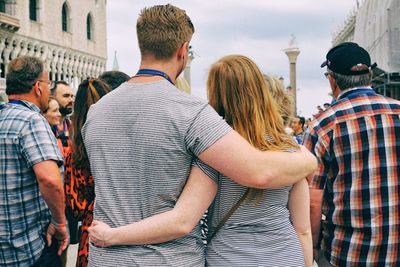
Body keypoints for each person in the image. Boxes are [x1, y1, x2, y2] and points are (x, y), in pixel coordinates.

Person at [83, 4, 317, 266]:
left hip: (106, 259)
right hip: (169, 259)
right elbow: (258, 172)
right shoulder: (190, 112)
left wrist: (112, 236)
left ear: (142, 45)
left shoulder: (97, 111)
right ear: (183, 51)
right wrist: (309, 160)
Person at [304, 42, 400, 266]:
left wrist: (314, 248)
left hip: (350, 252)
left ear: (332, 80)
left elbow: (313, 201)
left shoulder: (323, 125)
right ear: (369, 74)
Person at [0, 56, 69, 266]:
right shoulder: (31, 121)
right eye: (48, 84)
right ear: (38, 87)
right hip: (30, 249)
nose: (49, 90)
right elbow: (50, 180)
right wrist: (59, 222)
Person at [64, 78, 111, 267]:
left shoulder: (75, 155)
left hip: (92, 238)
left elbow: (76, 207)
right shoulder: (122, 147)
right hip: (129, 230)